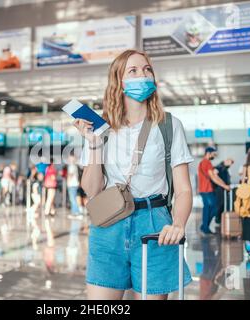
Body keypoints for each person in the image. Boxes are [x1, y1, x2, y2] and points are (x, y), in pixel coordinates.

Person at [74, 49, 194, 300]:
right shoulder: (101, 128)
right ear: (119, 81)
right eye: (133, 70)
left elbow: (183, 189)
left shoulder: (169, 125)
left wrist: (178, 224)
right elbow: (92, 189)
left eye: (147, 69)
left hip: (154, 225)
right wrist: (94, 144)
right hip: (109, 224)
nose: (143, 75)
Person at [197, 147, 230, 235]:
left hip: (203, 189)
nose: (214, 156)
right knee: (215, 207)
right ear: (209, 153)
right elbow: (213, 177)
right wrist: (224, 186)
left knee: (208, 208)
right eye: (213, 154)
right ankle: (205, 226)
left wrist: (223, 184)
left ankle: (204, 226)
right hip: (207, 190)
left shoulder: (202, 163)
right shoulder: (207, 163)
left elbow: (213, 176)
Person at [214, 158, 234, 224]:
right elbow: (215, 176)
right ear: (226, 161)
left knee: (223, 204)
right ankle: (217, 218)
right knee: (220, 203)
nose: (230, 165)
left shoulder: (226, 168)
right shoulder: (219, 167)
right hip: (219, 188)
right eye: (230, 163)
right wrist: (223, 185)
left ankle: (220, 218)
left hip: (224, 188)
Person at [66, 154, 82, 219]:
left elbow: (70, 175)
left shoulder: (71, 166)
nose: (69, 159)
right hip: (75, 184)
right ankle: (74, 212)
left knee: (72, 199)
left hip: (72, 184)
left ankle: (77, 213)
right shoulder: (75, 166)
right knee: (73, 198)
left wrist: (68, 182)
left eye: (70, 158)